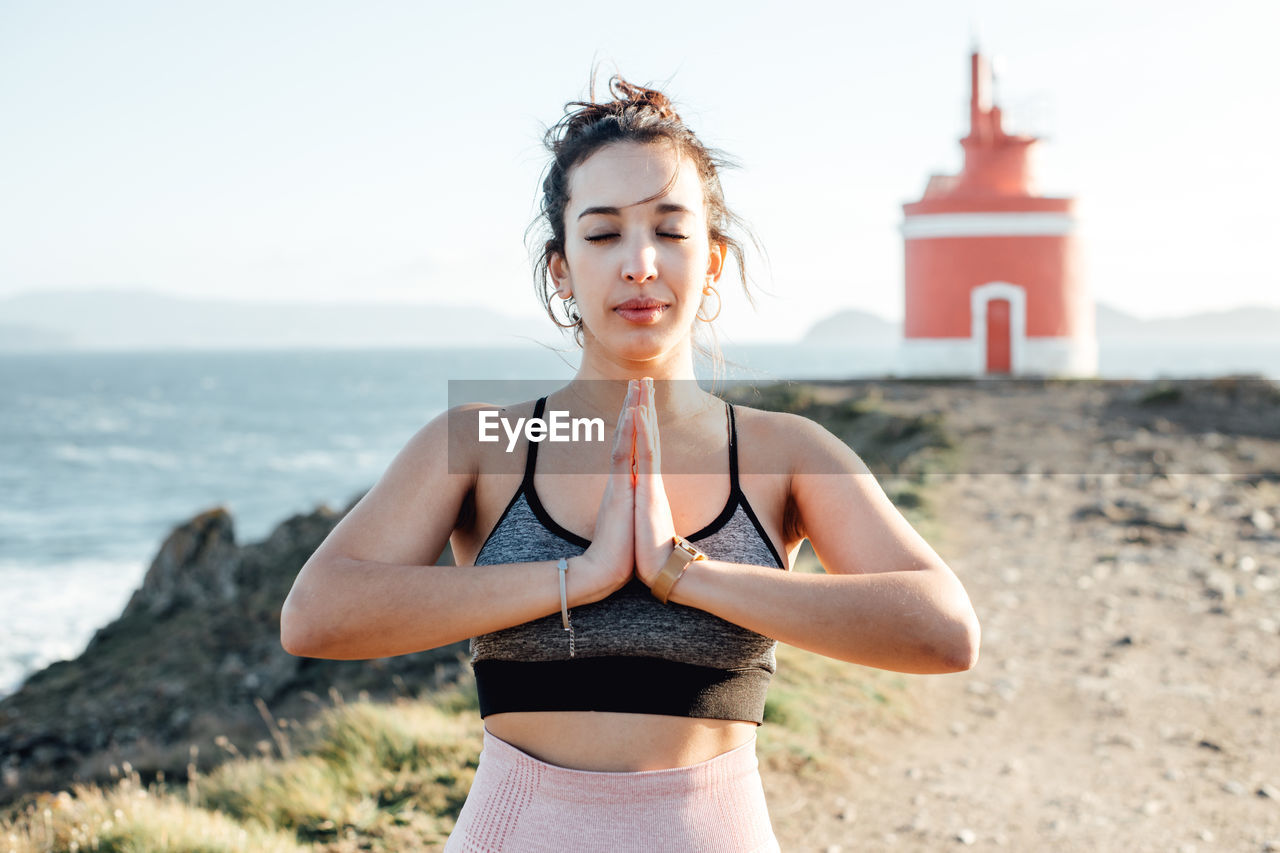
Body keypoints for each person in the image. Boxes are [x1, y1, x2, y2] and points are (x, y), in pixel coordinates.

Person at [280, 75, 980, 852]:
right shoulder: (481, 444)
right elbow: (316, 616)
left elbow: (945, 631)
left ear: (711, 260)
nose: (640, 263)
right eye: (604, 232)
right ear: (561, 268)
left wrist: (687, 575)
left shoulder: (787, 453)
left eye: (670, 231)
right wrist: (578, 577)